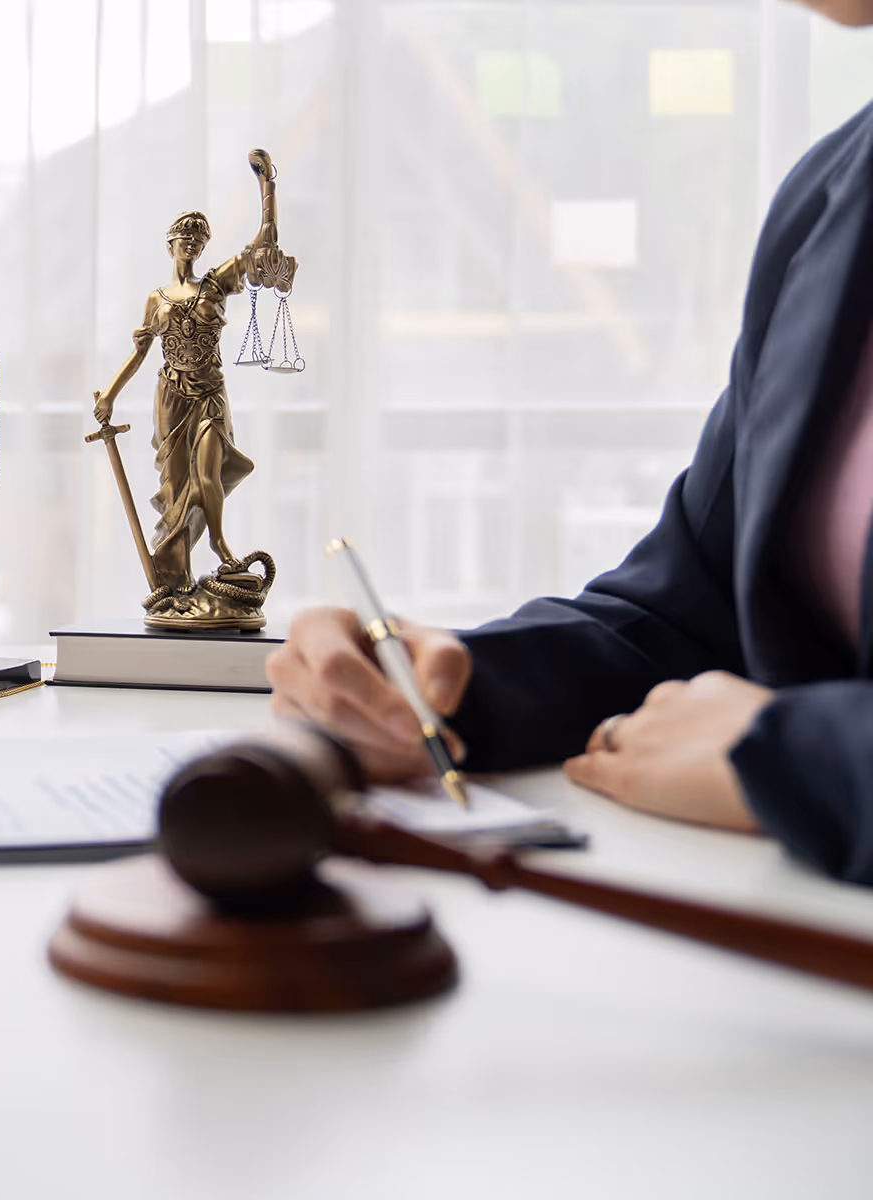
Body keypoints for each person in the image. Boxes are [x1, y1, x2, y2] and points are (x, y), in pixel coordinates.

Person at [268, 1, 873, 886]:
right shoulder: (831, 198)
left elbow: (762, 730)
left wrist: (789, 759)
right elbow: (682, 620)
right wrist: (438, 685)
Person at [92, 150, 297, 629]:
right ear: (170, 246)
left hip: (209, 393)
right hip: (170, 397)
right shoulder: (157, 299)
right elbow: (141, 353)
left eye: (197, 239)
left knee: (208, 474)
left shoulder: (214, 285)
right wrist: (109, 395)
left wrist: (268, 188)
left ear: (202, 248)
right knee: (175, 487)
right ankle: (175, 584)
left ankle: (222, 547)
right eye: (183, 238)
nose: (190, 245)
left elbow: (261, 245)